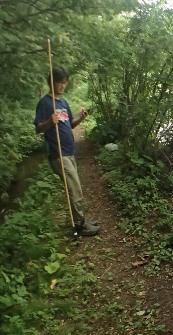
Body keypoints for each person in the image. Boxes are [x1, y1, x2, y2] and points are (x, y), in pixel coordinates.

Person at [34, 66, 99, 236]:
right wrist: (49, 121)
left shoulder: (63, 102)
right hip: (58, 153)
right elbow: (38, 128)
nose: (63, 86)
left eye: (65, 82)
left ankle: (80, 219)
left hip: (69, 151)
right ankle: (80, 225)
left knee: (75, 188)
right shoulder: (45, 103)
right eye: (59, 82)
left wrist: (81, 118)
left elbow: (70, 125)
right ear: (52, 82)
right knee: (74, 188)